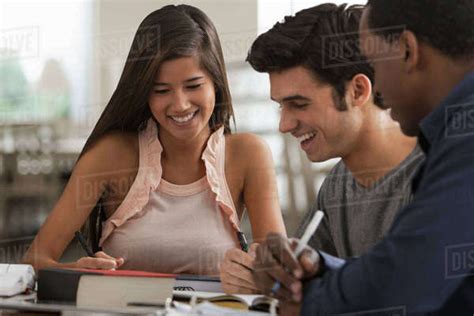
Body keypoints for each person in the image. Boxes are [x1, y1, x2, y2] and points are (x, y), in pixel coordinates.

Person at [22, 5, 286, 278]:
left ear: (216, 84)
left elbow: (277, 270)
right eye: (161, 90)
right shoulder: (111, 155)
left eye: (193, 86)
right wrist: (75, 273)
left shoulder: (248, 154)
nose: (180, 105)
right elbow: (34, 260)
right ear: (144, 93)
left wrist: (258, 275)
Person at [253, 0, 474, 315]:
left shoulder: (460, 145)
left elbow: (406, 280)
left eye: (376, 62)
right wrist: (310, 270)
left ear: (408, 51)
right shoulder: (337, 186)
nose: (379, 85)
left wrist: (304, 302)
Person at [246, 3, 424, 260]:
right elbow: (306, 277)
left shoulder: (435, 177)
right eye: (281, 106)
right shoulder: (337, 185)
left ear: (358, 91)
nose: (284, 125)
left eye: (299, 104)